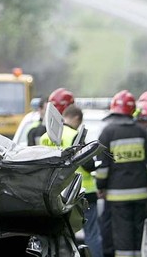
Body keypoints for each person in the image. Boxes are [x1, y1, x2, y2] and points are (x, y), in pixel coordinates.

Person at [95, 90, 147, 257]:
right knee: (138, 234)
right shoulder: (142, 132)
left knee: (122, 237)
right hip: (141, 194)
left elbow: (103, 166)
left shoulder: (108, 133)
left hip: (117, 196)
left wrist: (101, 186)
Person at [39, 105, 102, 257]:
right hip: (82, 191)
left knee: (63, 233)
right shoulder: (75, 135)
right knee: (92, 233)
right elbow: (87, 164)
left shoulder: (44, 137)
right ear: (76, 119)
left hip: (56, 193)